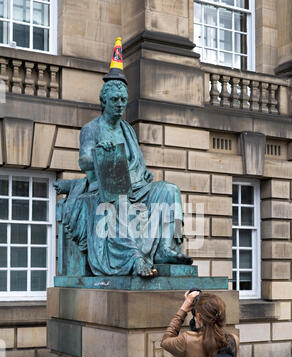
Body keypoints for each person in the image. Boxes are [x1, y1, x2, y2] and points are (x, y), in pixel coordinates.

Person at [54, 38, 192, 279]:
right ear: (104, 101)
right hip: (106, 188)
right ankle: (134, 258)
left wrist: (144, 174)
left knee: (170, 190)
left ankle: (165, 248)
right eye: (114, 100)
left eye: (122, 100)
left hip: (136, 186)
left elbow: (136, 163)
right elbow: (83, 161)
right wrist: (99, 152)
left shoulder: (128, 129)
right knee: (119, 202)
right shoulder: (92, 129)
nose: (119, 105)